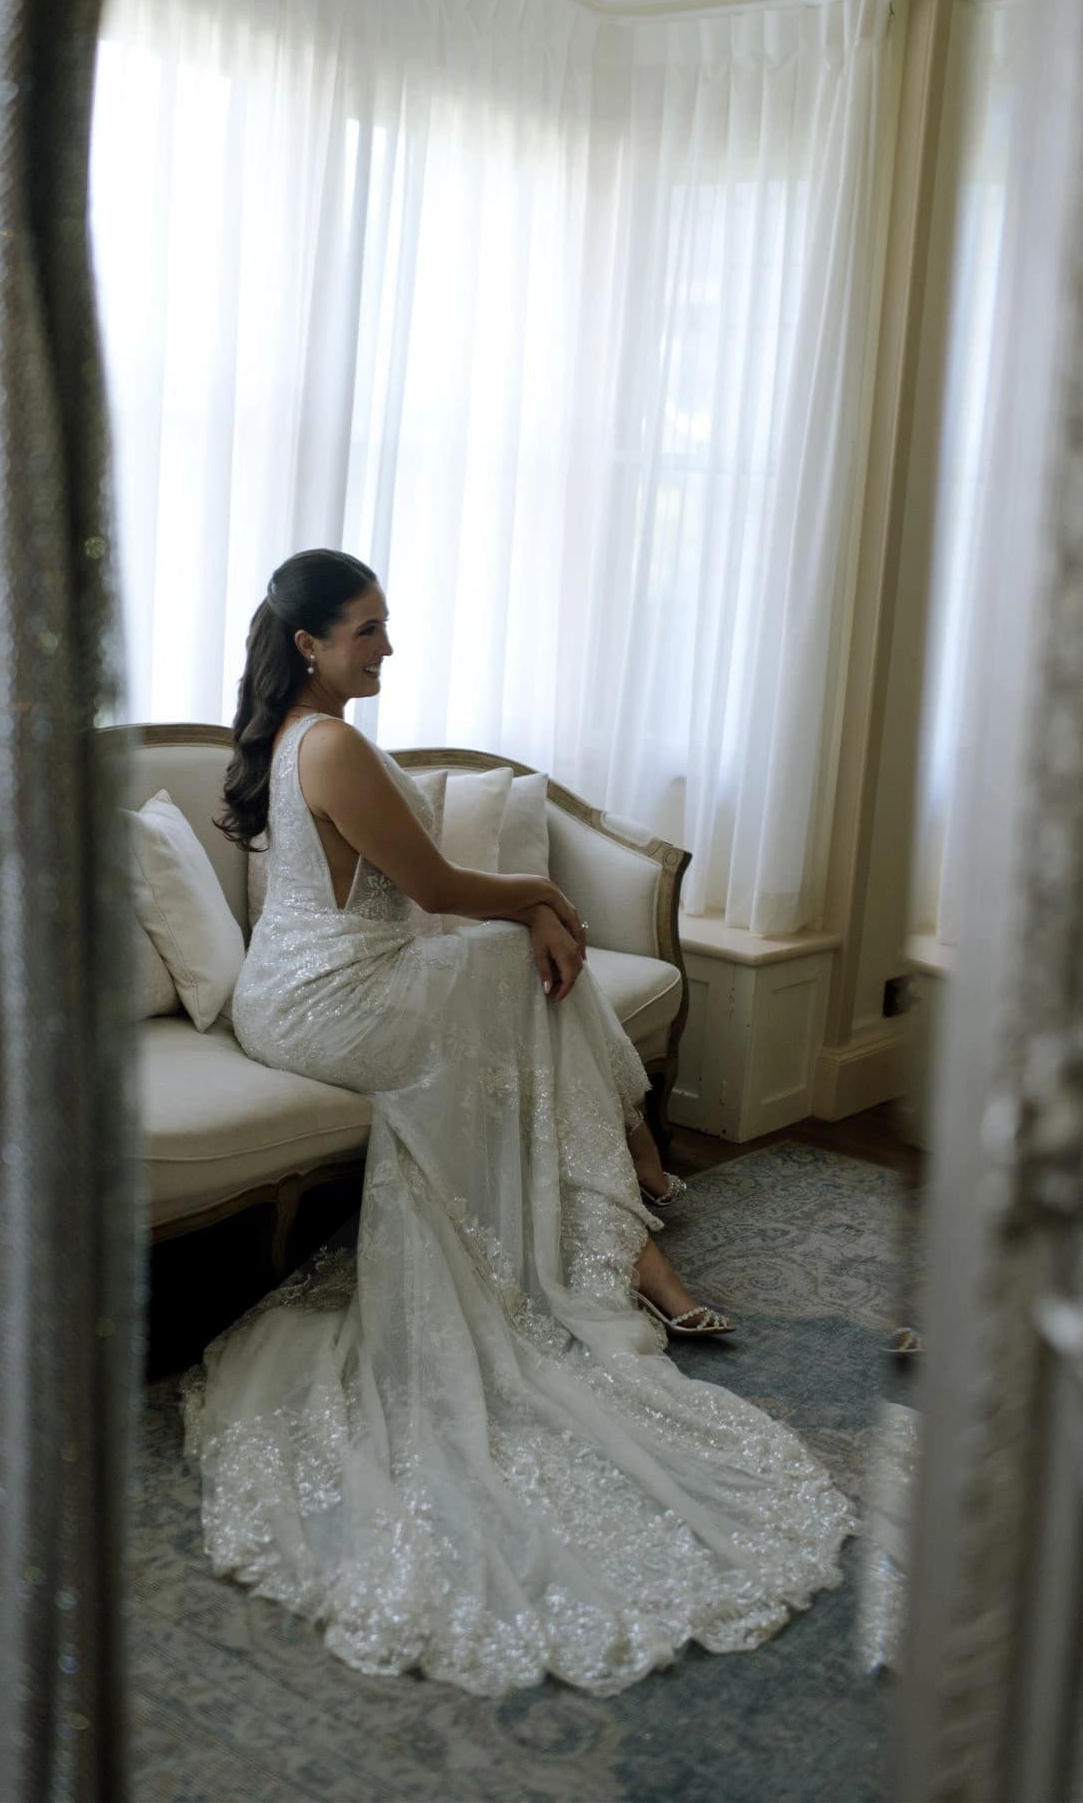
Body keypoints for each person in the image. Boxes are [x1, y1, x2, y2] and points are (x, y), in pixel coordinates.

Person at [184, 549, 854, 1695]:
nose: (387, 647)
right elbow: (439, 890)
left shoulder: (303, 733)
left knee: (517, 981)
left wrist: (534, 916)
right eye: (366, 630)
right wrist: (547, 897)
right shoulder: (330, 743)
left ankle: (628, 1190)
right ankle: (632, 1190)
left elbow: (416, 896)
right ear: (308, 643)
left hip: (301, 985)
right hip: (323, 1001)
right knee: (512, 960)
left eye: (384, 625)